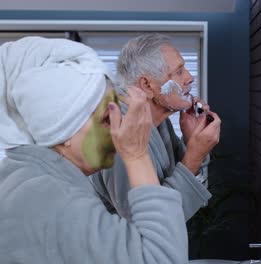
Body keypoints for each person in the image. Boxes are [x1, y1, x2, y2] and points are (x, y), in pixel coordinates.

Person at [0, 36, 188, 263]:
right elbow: (163, 259)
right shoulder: (50, 198)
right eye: (107, 119)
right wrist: (137, 155)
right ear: (64, 130)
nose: (117, 132)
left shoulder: (30, 179)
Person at [90, 33, 221, 221]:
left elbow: (177, 176)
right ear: (147, 85)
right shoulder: (119, 132)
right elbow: (149, 224)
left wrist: (191, 140)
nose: (190, 77)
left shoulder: (157, 121)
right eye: (178, 71)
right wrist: (195, 154)